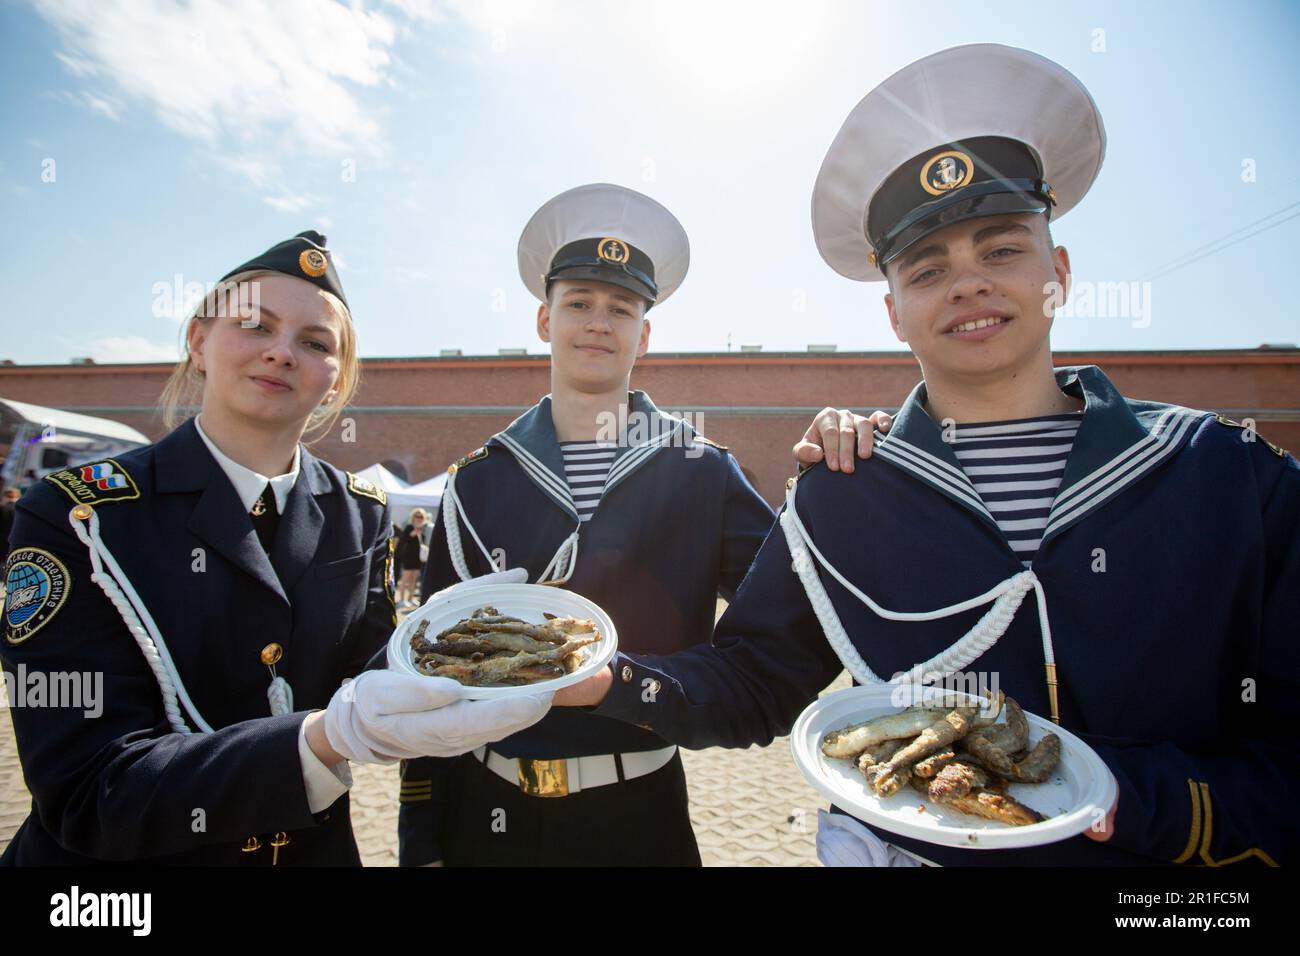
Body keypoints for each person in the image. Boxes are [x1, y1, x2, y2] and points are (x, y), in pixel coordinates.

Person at [562, 45, 1299, 867]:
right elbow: (758, 682)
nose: (967, 285)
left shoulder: (1229, 477)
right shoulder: (845, 492)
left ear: (1057, 272)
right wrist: (611, 681)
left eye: (1001, 250)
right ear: (893, 313)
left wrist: (1136, 799)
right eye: (927, 267)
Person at [0, 231, 550, 865]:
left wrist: (465, 643)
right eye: (254, 326)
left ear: (337, 379)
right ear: (198, 341)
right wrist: (319, 738)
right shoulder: (79, 516)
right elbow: (84, 793)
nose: (281, 353)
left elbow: (374, 679)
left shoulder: (359, 514)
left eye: (314, 343)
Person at [398, 184, 884, 866]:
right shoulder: (477, 479)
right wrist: (420, 846)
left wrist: (836, 480)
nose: (599, 322)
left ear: (645, 333)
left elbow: (785, 639)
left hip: (637, 817)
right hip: (484, 817)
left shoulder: (700, 471)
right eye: (579, 304)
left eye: (621, 308)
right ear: (544, 320)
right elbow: (428, 678)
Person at [395, 508, 431, 608]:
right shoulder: (409, 527)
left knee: (414, 579)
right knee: (405, 579)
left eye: (421, 516)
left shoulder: (425, 528)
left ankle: (410, 598)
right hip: (408, 557)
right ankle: (401, 599)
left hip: (418, 557)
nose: (419, 518)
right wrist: (413, 533)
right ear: (413, 517)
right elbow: (403, 540)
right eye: (417, 516)